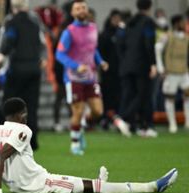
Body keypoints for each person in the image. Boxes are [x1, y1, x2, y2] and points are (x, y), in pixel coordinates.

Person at [0, 97, 178, 193]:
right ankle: (151, 186)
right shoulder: (23, 130)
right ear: (21, 115)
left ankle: (97, 182)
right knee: (91, 189)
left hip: (20, 186)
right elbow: (0, 157)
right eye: (26, 113)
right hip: (38, 184)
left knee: (86, 184)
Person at [0, 0, 47, 151]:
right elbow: (42, 43)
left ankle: (9, 139)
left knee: (11, 105)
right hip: (34, 69)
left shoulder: (11, 22)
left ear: (13, 7)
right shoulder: (35, 24)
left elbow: (8, 44)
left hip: (17, 69)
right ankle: (32, 142)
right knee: (31, 107)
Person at [55, 0, 108, 155]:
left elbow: (93, 49)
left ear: (87, 10)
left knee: (98, 111)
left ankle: (82, 126)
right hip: (73, 78)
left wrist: (101, 61)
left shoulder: (93, 28)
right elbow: (59, 54)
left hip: (91, 77)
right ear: (72, 13)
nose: (81, 10)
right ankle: (75, 143)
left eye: (83, 8)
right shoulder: (69, 32)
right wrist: (76, 65)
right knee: (77, 111)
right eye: (77, 8)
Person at [117, 0, 157, 137]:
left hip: (126, 64)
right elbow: (148, 43)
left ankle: (138, 126)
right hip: (141, 64)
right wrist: (153, 63)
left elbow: (120, 43)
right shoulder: (148, 22)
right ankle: (124, 119)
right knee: (143, 94)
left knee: (130, 95)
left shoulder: (129, 22)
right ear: (150, 7)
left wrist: (125, 60)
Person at [155, 14, 189, 133]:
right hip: (171, 71)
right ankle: (172, 124)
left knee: (187, 95)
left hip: (184, 71)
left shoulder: (186, 37)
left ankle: (188, 122)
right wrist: (160, 67)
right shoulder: (167, 36)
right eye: (182, 22)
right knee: (170, 97)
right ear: (176, 23)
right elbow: (158, 48)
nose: (185, 24)